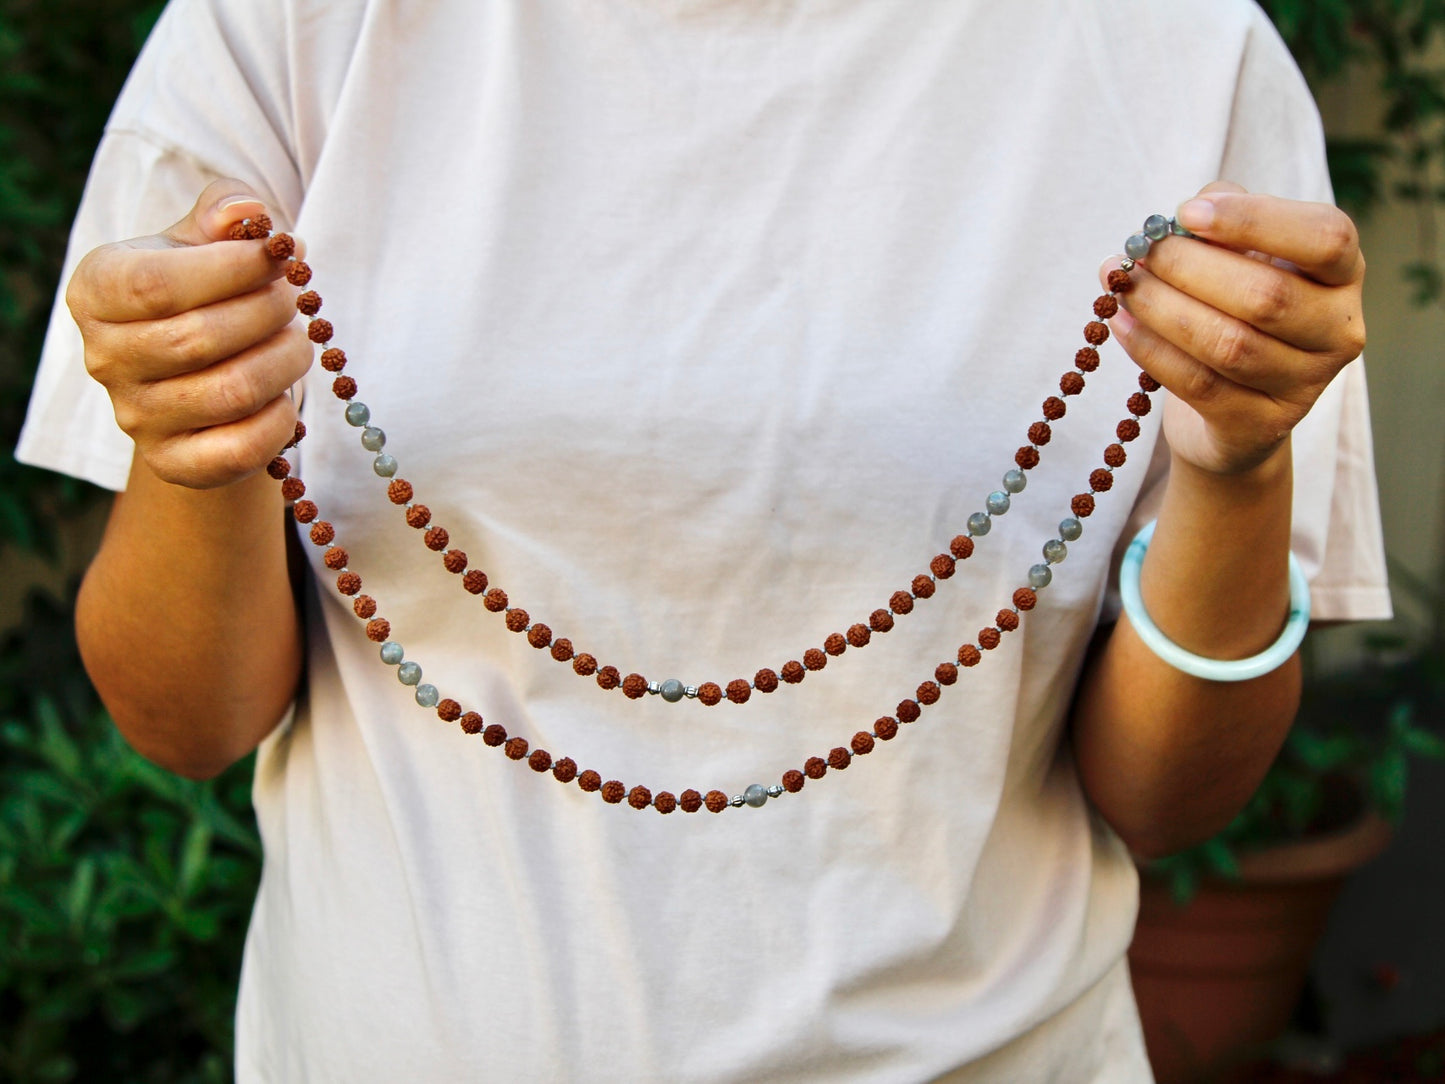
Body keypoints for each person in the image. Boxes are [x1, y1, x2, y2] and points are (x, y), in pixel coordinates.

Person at [19, 0, 1391, 1079]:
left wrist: (1237, 465)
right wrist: (198, 447)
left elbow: (1169, 801)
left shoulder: (1178, 55)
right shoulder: (292, 28)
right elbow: (186, 719)